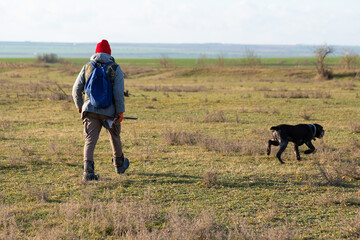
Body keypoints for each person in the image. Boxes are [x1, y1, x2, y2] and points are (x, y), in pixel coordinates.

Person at [72, 39, 129, 181]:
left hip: (89, 110)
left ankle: (88, 172)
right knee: (114, 137)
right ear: (109, 53)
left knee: (90, 140)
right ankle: (119, 166)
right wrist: (120, 112)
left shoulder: (86, 67)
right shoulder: (115, 68)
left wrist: (80, 107)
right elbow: (118, 93)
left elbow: (75, 90)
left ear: (96, 52)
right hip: (109, 113)